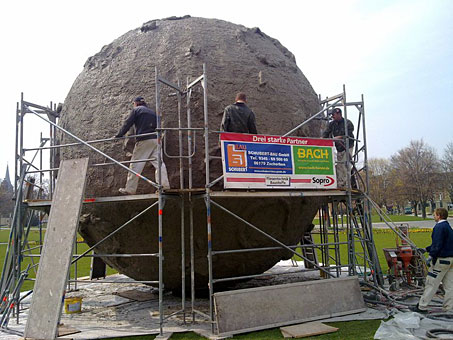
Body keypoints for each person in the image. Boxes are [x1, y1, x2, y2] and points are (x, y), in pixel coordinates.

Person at [115, 96, 170, 194]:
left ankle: (130, 189)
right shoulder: (153, 113)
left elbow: (128, 123)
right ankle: (165, 186)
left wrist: (119, 135)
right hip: (156, 140)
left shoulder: (136, 110)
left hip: (144, 139)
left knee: (135, 165)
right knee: (159, 164)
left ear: (136, 103)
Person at [412, 208, 453, 312]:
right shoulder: (448, 227)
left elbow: (437, 244)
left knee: (431, 283)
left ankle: (422, 306)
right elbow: (443, 243)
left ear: (439, 215)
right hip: (450, 261)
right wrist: (426, 249)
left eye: (434, 214)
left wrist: (430, 256)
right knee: (449, 286)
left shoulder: (439, 227)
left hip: (441, 261)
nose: (434, 216)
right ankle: (449, 308)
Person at [322, 107, 354, 188]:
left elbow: (348, 134)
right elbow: (326, 133)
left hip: (348, 146)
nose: (332, 116)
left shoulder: (348, 123)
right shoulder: (332, 124)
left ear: (339, 114)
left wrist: (339, 137)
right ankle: (341, 184)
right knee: (340, 165)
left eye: (334, 115)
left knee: (345, 164)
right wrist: (321, 140)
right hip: (339, 147)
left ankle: (346, 184)